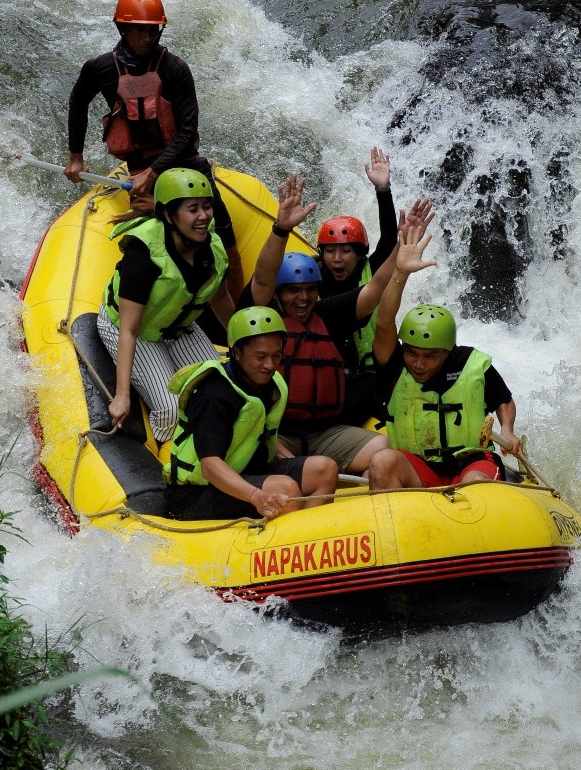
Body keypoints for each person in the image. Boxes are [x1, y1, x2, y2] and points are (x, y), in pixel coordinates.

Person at [63, 0, 243, 301]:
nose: (148, 37)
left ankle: (237, 304)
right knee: (151, 243)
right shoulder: (101, 69)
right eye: (140, 30)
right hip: (138, 167)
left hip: (183, 162)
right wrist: (76, 157)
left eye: (153, 30)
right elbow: (78, 102)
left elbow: (187, 132)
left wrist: (155, 172)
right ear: (122, 29)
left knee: (224, 234)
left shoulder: (174, 68)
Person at [238, 173, 401, 478]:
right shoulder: (261, 319)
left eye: (309, 290)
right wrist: (281, 228)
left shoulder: (325, 314)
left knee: (388, 452)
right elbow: (262, 278)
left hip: (325, 429)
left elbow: (376, 288)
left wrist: (401, 257)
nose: (303, 298)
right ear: (278, 293)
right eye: (293, 291)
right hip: (275, 431)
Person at [368, 222, 524, 491]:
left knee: (473, 484)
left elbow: (503, 400)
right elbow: (383, 324)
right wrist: (400, 274)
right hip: (419, 467)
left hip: (472, 463)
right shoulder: (396, 365)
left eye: (429, 356)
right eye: (412, 353)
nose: (418, 363)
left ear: (447, 352)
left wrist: (507, 429)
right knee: (382, 462)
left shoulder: (471, 364)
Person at [97, 167, 234, 444]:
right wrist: (122, 396)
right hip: (133, 329)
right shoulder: (144, 254)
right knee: (171, 409)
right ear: (169, 215)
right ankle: (166, 456)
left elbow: (220, 299)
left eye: (206, 207)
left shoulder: (212, 247)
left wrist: (244, 342)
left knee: (220, 394)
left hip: (178, 326)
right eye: (192, 209)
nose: (203, 216)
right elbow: (129, 330)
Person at [163, 306, 338, 521]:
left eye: (276, 356)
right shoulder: (214, 394)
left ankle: (312, 540)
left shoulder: (266, 383)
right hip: (195, 494)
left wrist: (295, 465)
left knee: (325, 469)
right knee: (287, 490)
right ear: (236, 353)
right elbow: (209, 466)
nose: (270, 365)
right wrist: (256, 496)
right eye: (260, 356)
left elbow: (259, 435)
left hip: (248, 471)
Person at [317, 146, 434, 422]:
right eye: (331, 251)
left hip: (376, 364)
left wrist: (384, 190)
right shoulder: (314, 278)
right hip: (336, 369)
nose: (337, 259)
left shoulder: (372, 267)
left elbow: (391, 240)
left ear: (359, 253)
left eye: (346, 251)